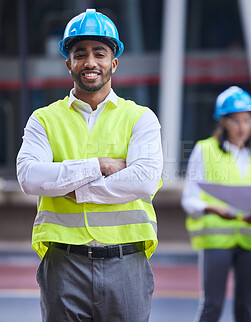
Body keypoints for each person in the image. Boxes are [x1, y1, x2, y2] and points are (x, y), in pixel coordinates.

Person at [16, 9, 163, 322]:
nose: (90, 62)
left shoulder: (140, 117)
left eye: (100, 53)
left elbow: (144, 180)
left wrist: (76, 190)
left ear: (114, 62)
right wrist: (100, 164)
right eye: (80, 54)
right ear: (69, 63)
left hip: (127, 261)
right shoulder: (44, 119)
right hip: (63, 264)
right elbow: (29, 178)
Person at [181, 86, 251, 322]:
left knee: (246, 308)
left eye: (247, 120)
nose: (242, 127)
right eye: (235, 121)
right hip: (216, 239)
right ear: (222, 122)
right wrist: (211, 208)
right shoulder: (205, 150)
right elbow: (188, 199)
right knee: (212, 305)